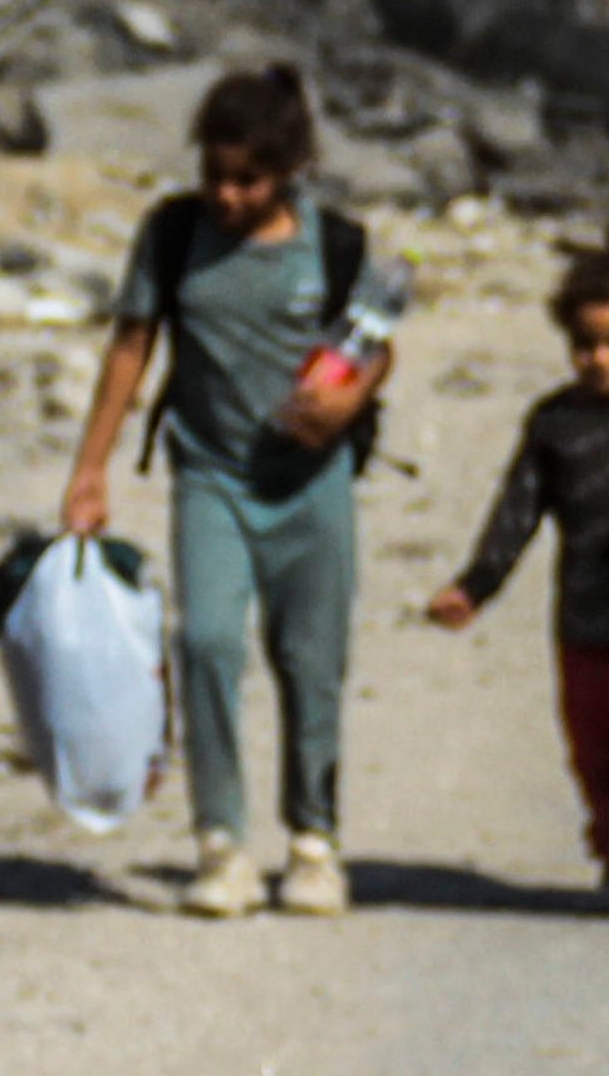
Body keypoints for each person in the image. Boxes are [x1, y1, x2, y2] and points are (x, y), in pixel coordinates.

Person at [60, 66, 384, 920]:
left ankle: (314, 843)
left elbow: (373, 341)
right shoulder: (172, 235)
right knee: (205, 642)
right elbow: (130, 346)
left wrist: (350, 399)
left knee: (311, 665)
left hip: (313, 485)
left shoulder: (337, 244)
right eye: (214, 174)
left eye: (247, 179)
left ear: (289, 172)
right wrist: (89, 469)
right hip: (209, 476)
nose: (226, 195)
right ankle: (221, 844)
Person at [425, 236, 609, 917]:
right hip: (584, 623)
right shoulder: (554, 425)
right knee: (597, 751)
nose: (603, 360)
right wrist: (474, 587)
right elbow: (516, 513)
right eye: (588, 344)